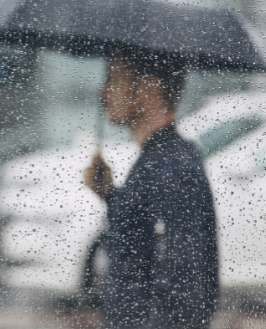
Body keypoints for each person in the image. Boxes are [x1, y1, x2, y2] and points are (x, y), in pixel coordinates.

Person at [84, 49, 219, 329]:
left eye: (113, 80)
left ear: (148, 89)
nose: (102, 93)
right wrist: (109, 194)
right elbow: (142, 245)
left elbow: (183, 277)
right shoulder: (159, 159)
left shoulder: (171, 164)